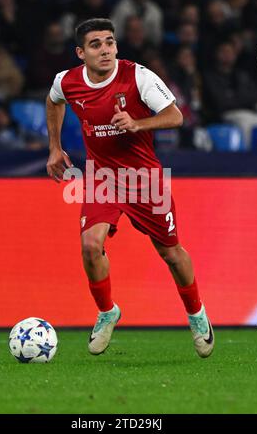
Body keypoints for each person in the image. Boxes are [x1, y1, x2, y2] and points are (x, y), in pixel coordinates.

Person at [46, 18, 214, 358]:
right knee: (90, 245)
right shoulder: (67, 81)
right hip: (102, 178)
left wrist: (139, 123)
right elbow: (54, 100)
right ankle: (108, 312)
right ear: (81, 53)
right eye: (96, 44)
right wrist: (54, 146)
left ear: (116, 46)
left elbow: (176, 115)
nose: (105, 49)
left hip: (143, 179)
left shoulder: (138, 76)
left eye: (109, 42)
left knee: (170, 252)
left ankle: (197, 315)